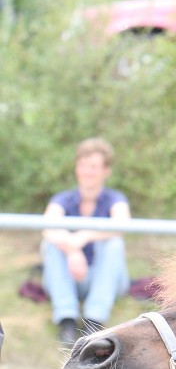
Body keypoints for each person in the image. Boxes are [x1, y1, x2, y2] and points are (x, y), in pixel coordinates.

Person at [42, 138, 131, 344]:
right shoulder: (63, 199)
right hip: (67, 278)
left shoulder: (115, 199)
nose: (87, 171)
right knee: (50, 244)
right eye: (82, 165)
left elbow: (122, 224)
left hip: (106, 280)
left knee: (114, 243)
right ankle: (66, 319)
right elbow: (47, 226)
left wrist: (83, 236)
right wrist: (72, 250)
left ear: (106, 170)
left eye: (93, 166)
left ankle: (94, 320)